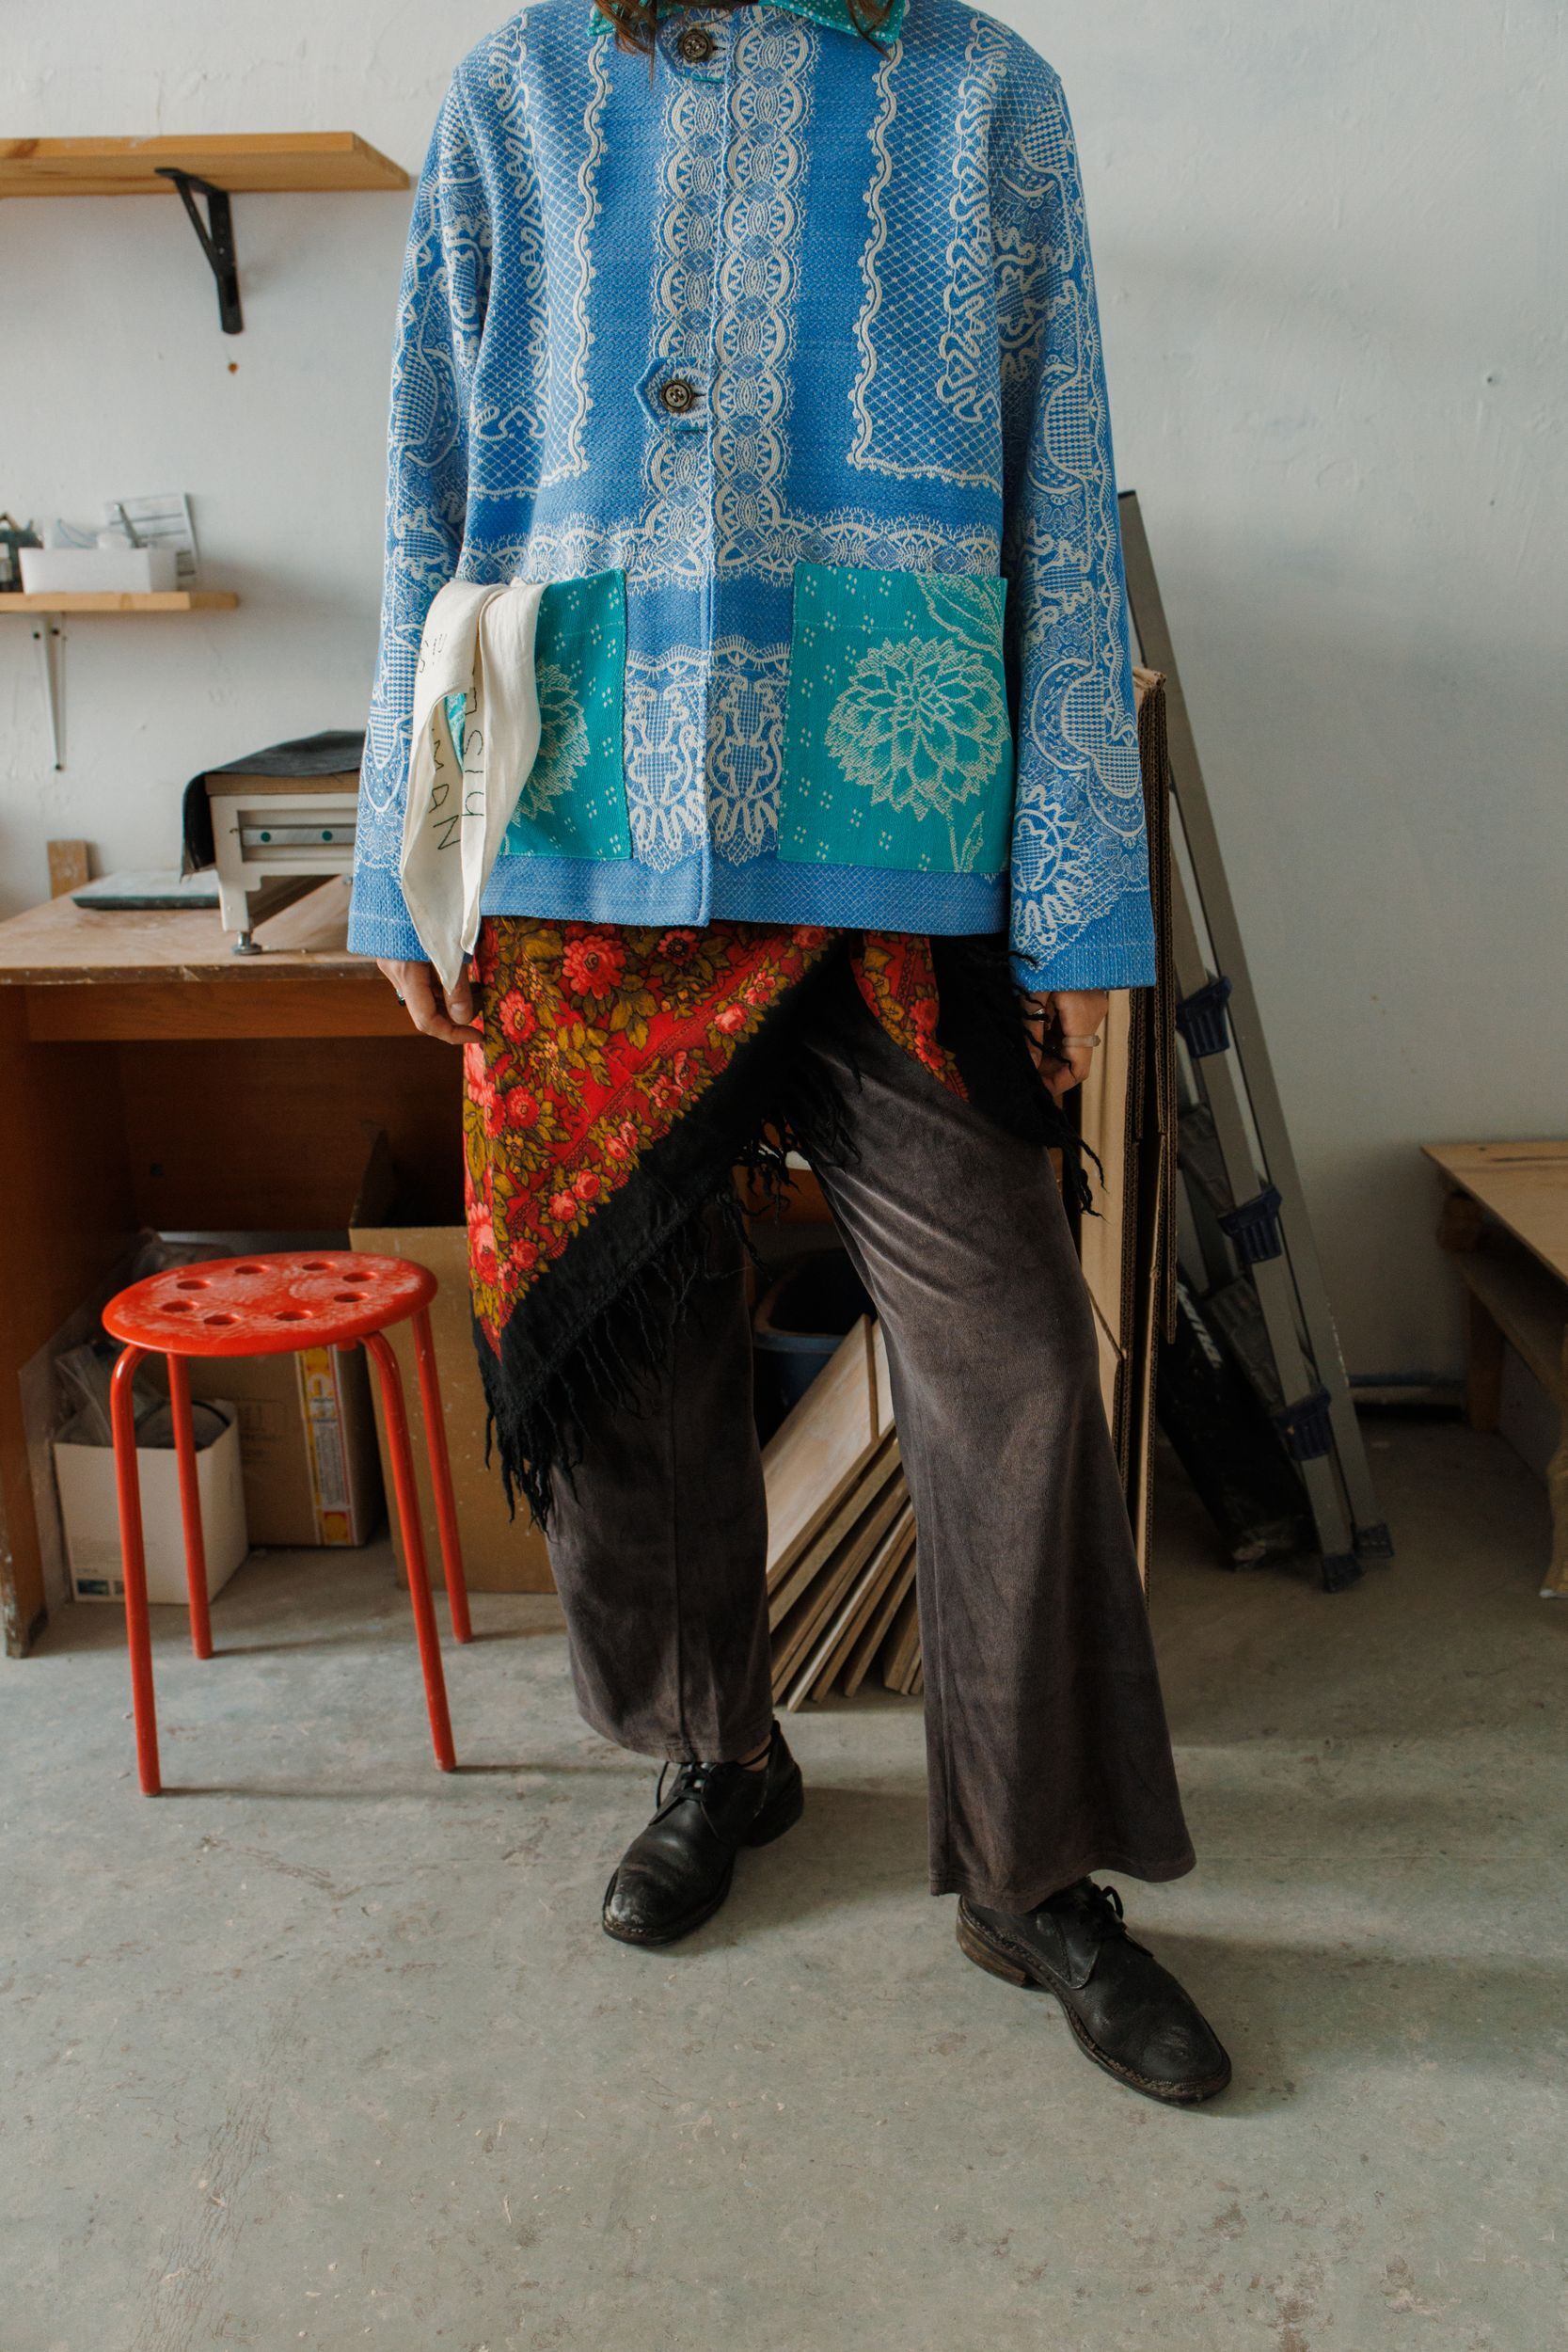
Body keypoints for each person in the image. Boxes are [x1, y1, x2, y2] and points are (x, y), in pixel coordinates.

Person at [351, 0, 1231, 2105]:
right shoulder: (515, 95)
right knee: (628, 1348)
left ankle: (1031, 1870)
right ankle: (714, 1755)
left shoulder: (986, 99)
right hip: (582, 838)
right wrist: (407, 862)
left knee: (1014, 1360)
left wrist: (1075, 894)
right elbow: (424, 493)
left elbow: (1059, 502)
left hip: (890, 841)